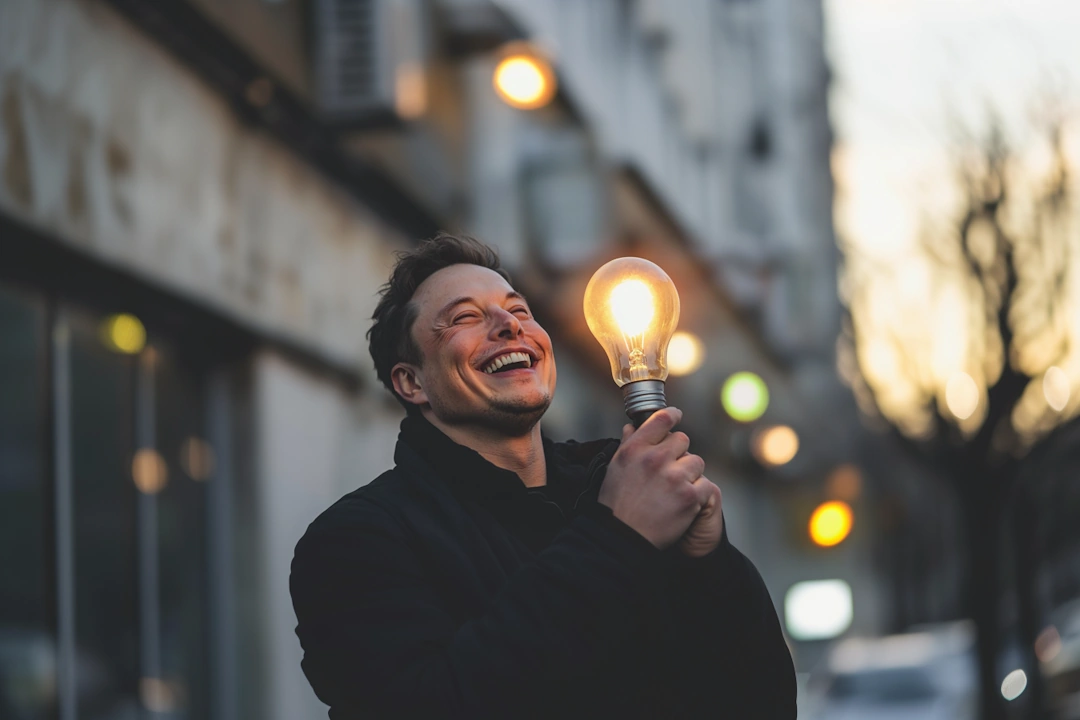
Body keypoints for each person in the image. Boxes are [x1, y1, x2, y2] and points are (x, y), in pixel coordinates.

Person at [290, 234, 796, 719]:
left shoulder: (615, 494)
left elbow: (761, 705)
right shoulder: (357, 539)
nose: (509, 326)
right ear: (412, 381)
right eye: (465, 317)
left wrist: (710, 563)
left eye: (519, 310)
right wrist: (617, 537)